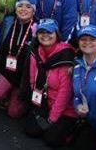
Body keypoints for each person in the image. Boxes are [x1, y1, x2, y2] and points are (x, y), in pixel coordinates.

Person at [21, 19, 77, 147]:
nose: (45, 35)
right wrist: (37, 106)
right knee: (30, 130)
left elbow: (65, 92)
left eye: (49, 32)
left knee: (51, 139)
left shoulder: (66, 56)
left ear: (57, 34)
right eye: (41, 32)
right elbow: (32, 81)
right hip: (44, 103)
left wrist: (52, 118)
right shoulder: (36, 52)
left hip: (64, 109)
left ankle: (73, 130)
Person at [0, 0, 36, 118]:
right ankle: (6, 92)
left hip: (23, 78)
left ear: (34, 10)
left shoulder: (37, 28)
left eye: (28, 6)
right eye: (20, 6)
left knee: (14, 113)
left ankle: (16, 95)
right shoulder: (9, 22)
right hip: (6, 72)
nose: (23, 9)